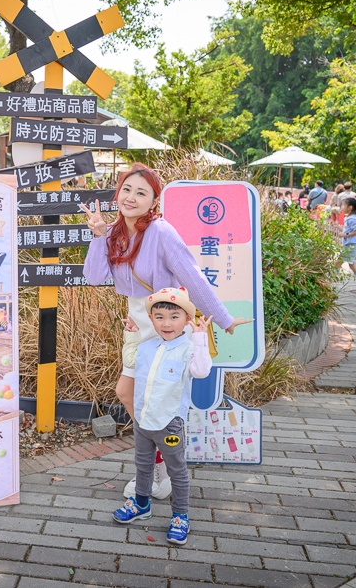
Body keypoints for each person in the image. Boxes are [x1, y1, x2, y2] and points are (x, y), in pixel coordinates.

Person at [81, 163, 252, 500]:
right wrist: (99, 235)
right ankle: (162, 466)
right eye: (126, 189)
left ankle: (163, 471)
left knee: (147, 399)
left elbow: (192, 278)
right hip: (137, 324)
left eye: (141, 193)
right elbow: (94, 276)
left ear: (153, 201)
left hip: (166, 327)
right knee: (131, 395)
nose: (131, 197)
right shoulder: (114, 230)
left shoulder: (161, 232)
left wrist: (223, 318)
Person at [111, 287, 212, 546]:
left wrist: (200, 338)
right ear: (152, 319)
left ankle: (180, 516)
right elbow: (131, 361)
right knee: (143, 466)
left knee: (177, 471)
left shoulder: (188, 349)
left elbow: (201, 371)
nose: (166, 323)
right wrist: (131, 335)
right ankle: (142, 504)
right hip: (144, 422)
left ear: (187, 320)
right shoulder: (148, 347)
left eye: (174, 316)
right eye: (159, 317)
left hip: (169, 424)